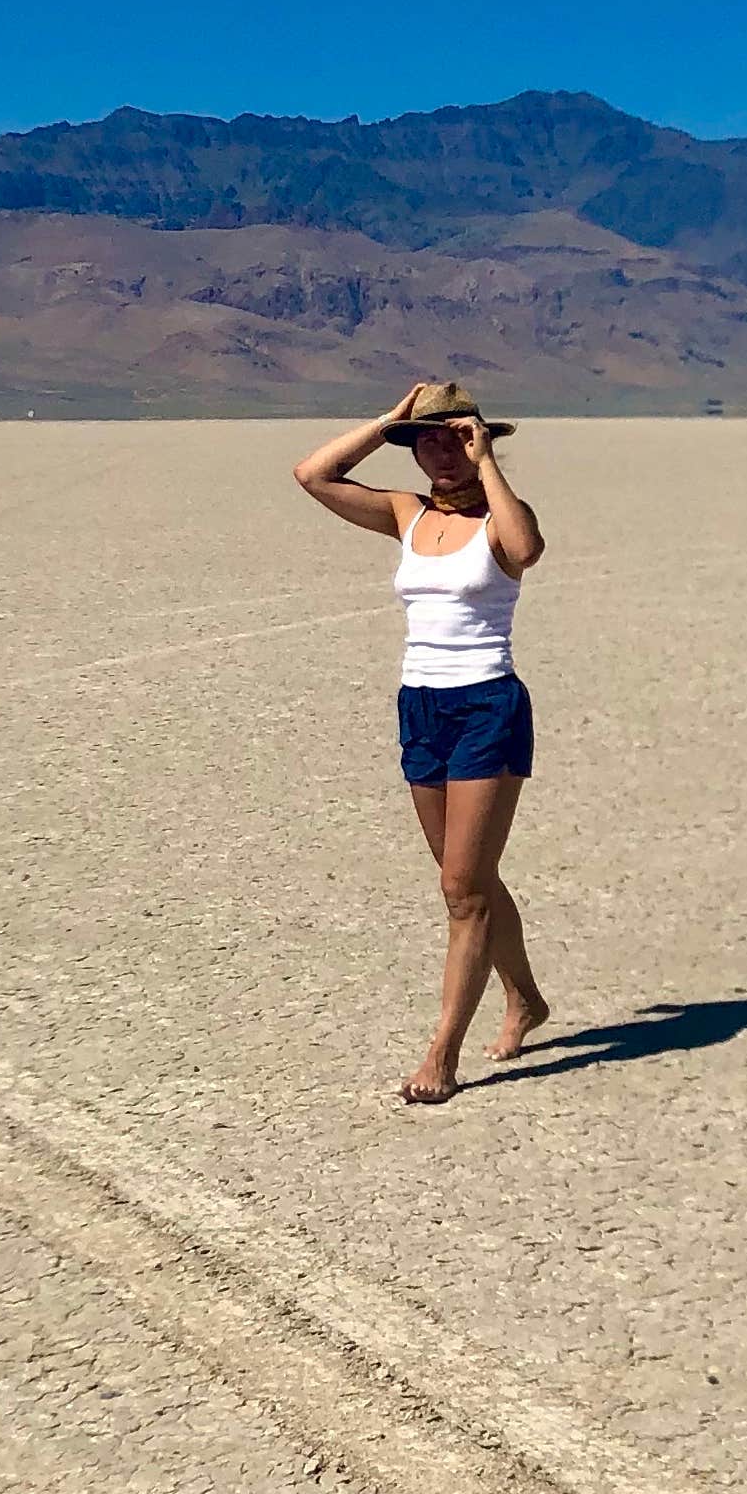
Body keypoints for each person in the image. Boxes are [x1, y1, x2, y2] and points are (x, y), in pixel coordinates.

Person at [293, 380, 550, 1102]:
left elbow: (525, 550)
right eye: (427, 440)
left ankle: (441, 1054)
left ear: (476, 440)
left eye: (454, 438)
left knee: (462, 892)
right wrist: (386, 423)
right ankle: (525, 998)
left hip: (486, 706)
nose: (440, 451)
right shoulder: (405, 514)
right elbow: (312, 476)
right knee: (468, 880)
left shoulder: (503, 515)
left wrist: (488, 462)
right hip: (421, 708)